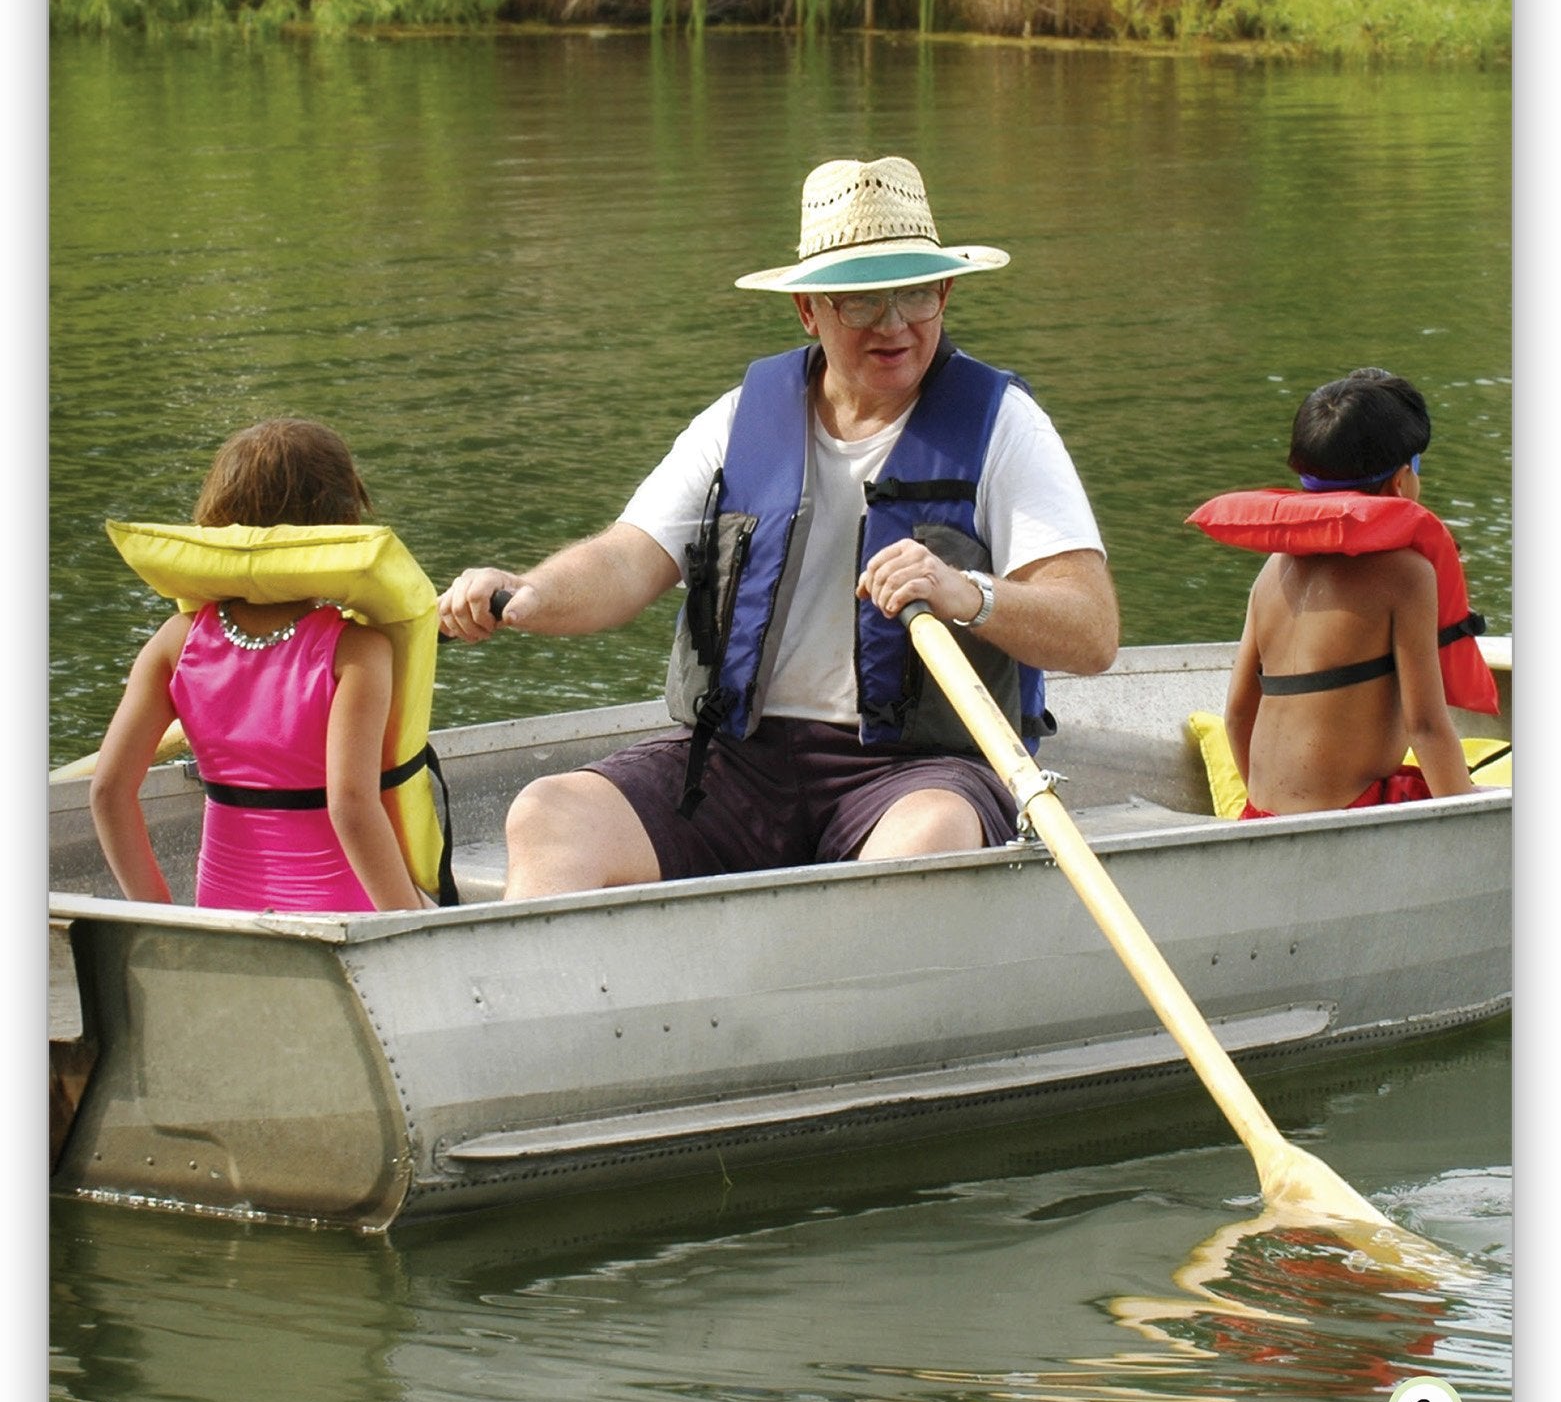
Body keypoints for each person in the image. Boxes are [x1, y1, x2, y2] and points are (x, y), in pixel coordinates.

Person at [441, 155, 1119, 897]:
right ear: (809, 310)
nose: (894, 325)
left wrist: (969, 594)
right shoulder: (741, 420)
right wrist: (530, 594)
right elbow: (627, 559)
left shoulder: (1005, 427)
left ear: (945, 293)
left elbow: (1090, 633)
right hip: (741, 761)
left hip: (920, 771)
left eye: (916, 294)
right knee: (550, 814)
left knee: (927, 839)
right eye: (861, 302)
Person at [91, 418, 434, 912]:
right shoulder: (357, 651)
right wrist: (408, 926)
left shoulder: (175, 642)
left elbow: (108, 792)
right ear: (342, 523)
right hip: (342, 908)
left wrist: (158, 916)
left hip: (220, 908)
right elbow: (352, 807)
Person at [1189, 368, 1499, 819]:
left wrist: (1261, 817)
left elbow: (1237, 715)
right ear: (1401, 481)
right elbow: (1427, 727)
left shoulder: (1274, 568)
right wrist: (1468, 817)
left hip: (1260, 814)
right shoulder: (1407, 576)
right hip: (1348, 814)